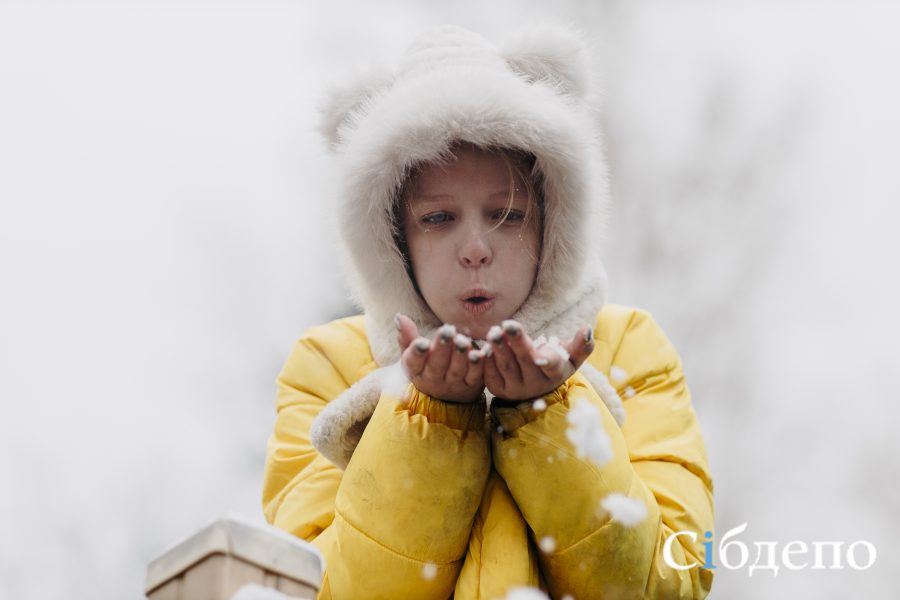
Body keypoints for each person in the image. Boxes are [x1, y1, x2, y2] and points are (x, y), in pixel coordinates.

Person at [262, 24, 714, 600]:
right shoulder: (326, 368)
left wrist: (547, 413)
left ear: (553, 225)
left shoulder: (627, 347)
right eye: (439, 218)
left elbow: (669, 581)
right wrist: (428, 420)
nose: (475, 247)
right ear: (394, 243)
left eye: (507, 214)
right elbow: (314, 590)